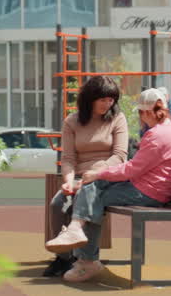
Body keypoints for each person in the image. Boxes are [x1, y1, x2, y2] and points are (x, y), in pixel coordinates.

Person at [45, 87, 171, 283]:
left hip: (149, 192)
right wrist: (96, 177)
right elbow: (134, 168)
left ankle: (87, 259)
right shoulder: (164, 130)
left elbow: (132, 169)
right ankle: (81, 244)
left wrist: (98, 173)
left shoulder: (157, 135)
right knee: (92, 189)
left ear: (144, 112)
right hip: (147, 186)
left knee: (93, 195)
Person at [44, 76, 129, 278]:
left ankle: (85, 259)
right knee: (58, 204)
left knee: (85, 199)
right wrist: (68, 181)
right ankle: (64, 258)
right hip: (79, 176)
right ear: (90, 98)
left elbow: (120, 156)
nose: (108, 104)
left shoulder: (118, 119)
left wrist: (97, 173)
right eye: (103, 99)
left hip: (106, 176)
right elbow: (68, 158)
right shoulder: (72, 122)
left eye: (111, 100)